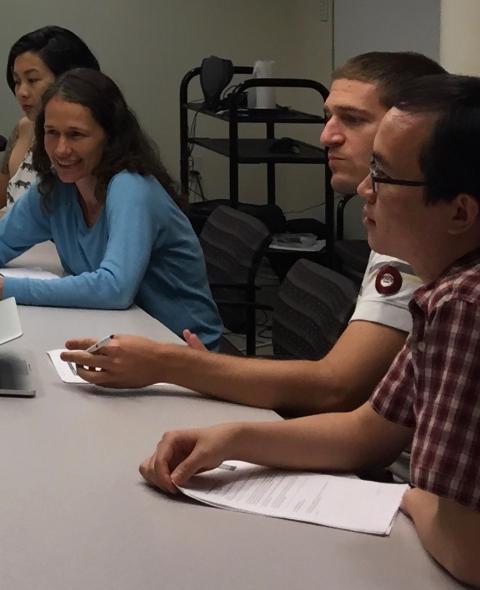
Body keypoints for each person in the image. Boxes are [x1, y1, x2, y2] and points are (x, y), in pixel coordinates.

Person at [138, 74, 480, 586]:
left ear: (460, 211)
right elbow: (367, 431)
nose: (365, 188)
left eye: (383, 176)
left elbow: (467, 549)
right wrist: (233, 439)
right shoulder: (443, 292)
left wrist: (409, 495)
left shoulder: (465, 303)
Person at [61, 52, 445, 414]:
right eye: (328, 116)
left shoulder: (418, 241)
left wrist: (173, 364)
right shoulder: (394, 230)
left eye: (353, 120)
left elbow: (337, 387)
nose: (326, 136)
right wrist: (196, 369)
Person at [0, 68, 222, 350]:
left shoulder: (131, 187)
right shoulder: (56, 188)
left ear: (110, 137)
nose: (61, 149)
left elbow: (115, 289)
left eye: (76, 135)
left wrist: (7, 289)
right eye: (52, 133)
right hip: (123, 338)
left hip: (186, 353)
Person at [0, 26, 100, 208]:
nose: (21, 92)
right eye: (16, 81)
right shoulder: (25, 127)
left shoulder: (94, 145)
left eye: (32, 80)